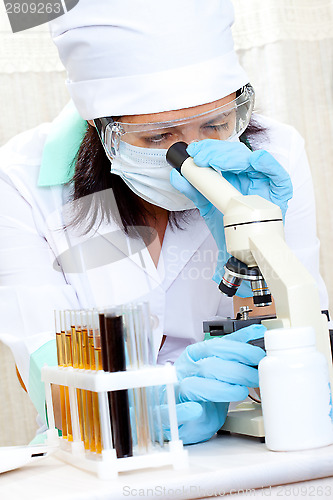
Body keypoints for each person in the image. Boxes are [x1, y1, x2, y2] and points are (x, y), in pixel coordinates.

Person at [0, 0, 328, 445]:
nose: (191, 157)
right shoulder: (19, 179)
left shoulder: (274, 157)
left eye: (215, 123)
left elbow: (308, 348)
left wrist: (260, 245)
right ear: (102, 129)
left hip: (253, 448)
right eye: (158, 137)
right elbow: (42, 372)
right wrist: (143, 405)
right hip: (90, 458)